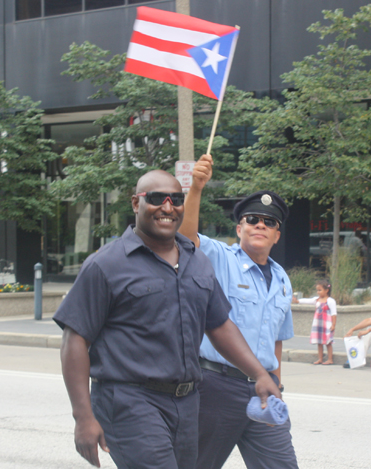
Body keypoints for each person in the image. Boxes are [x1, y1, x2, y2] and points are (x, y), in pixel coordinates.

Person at [53, 169, 281, 469]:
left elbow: (220, 325)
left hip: (187, 403)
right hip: (129, 401)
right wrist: (83, 417)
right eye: (157, 198)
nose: (168, 207)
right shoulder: (106, 264)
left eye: (176, 199)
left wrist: (260, 374)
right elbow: (75, 339)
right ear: (136, 203)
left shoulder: (196, 261)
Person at [178, 154, 298, 469]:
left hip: (263, 392)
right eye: (253, 219)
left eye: (269, 222)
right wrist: (196, 190)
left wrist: (277, 388)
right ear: (239, 228)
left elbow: (277, 340)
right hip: (217, 387)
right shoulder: (220, 257)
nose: (261, 224)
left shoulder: (282, 279)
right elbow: (185, 237)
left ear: (277, 235)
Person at [292, 279, 337, 365]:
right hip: (318, 325)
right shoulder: (317, 300)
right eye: (317, 290)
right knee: (319, 342)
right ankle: (320, 358)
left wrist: (333, 324)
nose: (318, 292)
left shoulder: (330, 301)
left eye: (320, 290)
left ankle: (330, 359)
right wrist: (298, 301)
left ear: (327, 290)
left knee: (328, 342)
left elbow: (334, 314)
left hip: (327, 325)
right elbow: (307, 300)